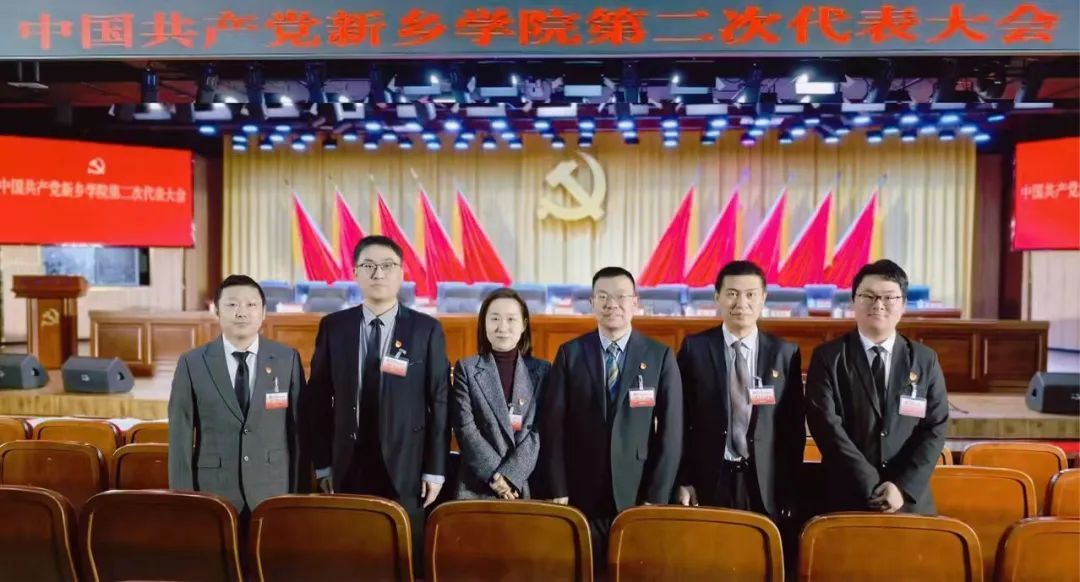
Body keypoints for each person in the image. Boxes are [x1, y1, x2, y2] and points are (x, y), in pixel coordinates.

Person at [304, 235, 450, 566]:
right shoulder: (334, 327)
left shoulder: (426, 329)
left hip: (406, 463)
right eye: (368, 266)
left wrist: (435, 470)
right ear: (355, 273)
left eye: (387, 266)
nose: (378, 274)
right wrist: (323, 462)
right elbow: (318, 401)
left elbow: (440, 402)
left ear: (401, 273)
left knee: (404, 557)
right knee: (349, 556)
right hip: (348, 461)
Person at [538, 266, 683, 570]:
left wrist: (656, 496)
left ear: (635, 302)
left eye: (620, 297)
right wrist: (558, 488)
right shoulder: (570, 354)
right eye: (603, 297)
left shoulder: (659, 355)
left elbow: (671, 433)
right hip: (581, 492)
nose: (611, 304)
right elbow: (553, 428)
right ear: (592, 303)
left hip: (638, 491)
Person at [805, 259, 948, 514]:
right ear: (853, 301)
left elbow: (935, 428)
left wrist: (901, 487)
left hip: (907, 501)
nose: (878, 304)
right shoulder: (828, 357)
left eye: (889, 297)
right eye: (868, 296)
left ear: (903, 304)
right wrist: (871, 484)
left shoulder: (925, 360)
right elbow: (826, 426)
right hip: (846, 497)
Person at [676, 260, 804, 524]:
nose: (741, 303)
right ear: (717, 297)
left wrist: (788, 489)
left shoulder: (784, 354)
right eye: (732, 294)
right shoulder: (694, 349)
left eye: (750, 295)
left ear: (763, 298)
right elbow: (678, 422)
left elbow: (792, 431)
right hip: (709, 480)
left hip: (763, 485)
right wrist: (683, 479)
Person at [169, 274, 306, 518]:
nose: (242, 313)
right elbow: (180, 435)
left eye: (251, 305)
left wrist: (300, 493)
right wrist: (183, 498)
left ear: (263, 312)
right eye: (232, 304)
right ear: (216, 311)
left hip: (274, 489)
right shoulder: (192, 363)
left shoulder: (287, 359)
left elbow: (298, 432)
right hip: (213, 490)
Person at [451, 288, 550, 500]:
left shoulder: (542, 371)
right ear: (484, 323)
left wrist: (512, 475)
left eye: (511, 319)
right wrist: (497, 478)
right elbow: (466, 429)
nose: (502, 327)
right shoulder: (466, 369)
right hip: (477, 486)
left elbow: (540, 429)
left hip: (525, 483)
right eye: (494, 318)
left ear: (523, 324)